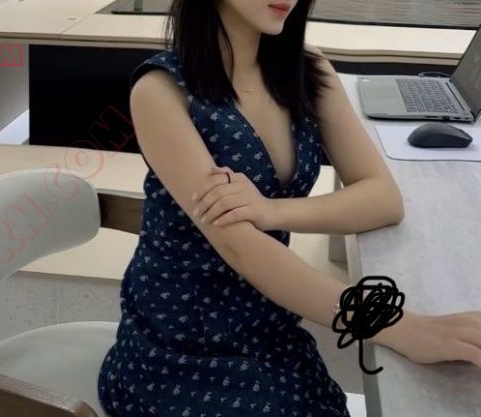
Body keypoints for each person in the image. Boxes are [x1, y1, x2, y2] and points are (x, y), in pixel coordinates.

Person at [97, 0, 481, 416]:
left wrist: (271, 210)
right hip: (181, 340)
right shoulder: (160, 91)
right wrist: (399, 326)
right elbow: (241, 247)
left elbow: (383, 199)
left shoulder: (306, 71)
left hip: (269, 323)